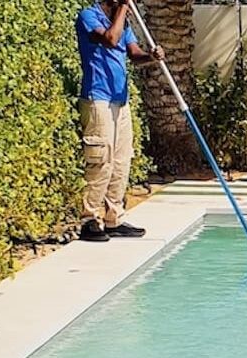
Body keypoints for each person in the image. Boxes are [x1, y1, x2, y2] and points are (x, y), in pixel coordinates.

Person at [76, 0, 165, 242]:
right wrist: (124, 8)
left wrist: (151, 56)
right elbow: (110, 39)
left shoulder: (122, 22)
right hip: (98, 98)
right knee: (101, 160)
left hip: (120, 100)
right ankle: (89, 219)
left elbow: (133, 54)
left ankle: (113, 218)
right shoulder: (89, 16)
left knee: (121, 161)